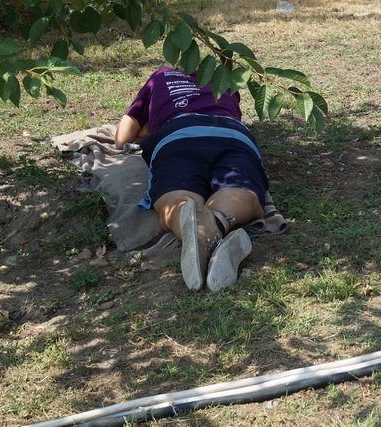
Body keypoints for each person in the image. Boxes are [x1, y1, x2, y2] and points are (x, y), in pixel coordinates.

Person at [114, 66, 268, 292]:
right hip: (232, 133)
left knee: (175, 196)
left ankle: (197, 230)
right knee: (241, 190)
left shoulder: (159, 77)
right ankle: (220, 223)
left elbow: (122, 139)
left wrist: (149, 127)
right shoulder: (224, 78)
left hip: (177, 134)